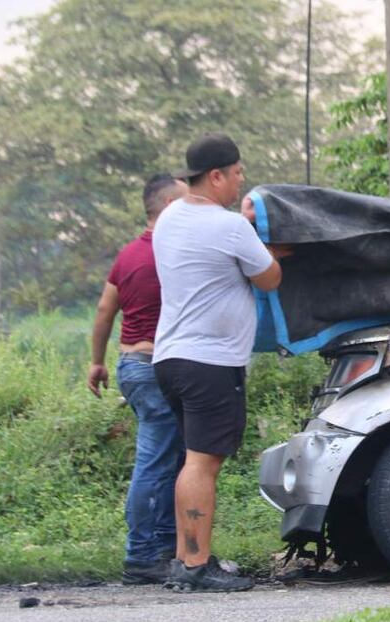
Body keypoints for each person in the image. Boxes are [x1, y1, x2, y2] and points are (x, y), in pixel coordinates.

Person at [152, 133, 287, 592]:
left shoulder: (170, 217)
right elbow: (269, 278)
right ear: (215, 176)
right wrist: (263, 246)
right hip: (209, 362)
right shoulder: (230, 228)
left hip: (170, 358)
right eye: (236, 174)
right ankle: (196, 565)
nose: (240, 181)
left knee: (193, 460)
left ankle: (184, 559)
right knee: (202, 464)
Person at [88, 173, 189, 585]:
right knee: (156, 461)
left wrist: (97, 362)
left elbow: (104, 311)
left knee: (172, 458)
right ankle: (142, 555)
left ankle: (163, 547)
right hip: (154, 366)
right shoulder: (170, 254)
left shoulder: (128, 254)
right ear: (169, 207)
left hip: (131, 364)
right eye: (187, 202)